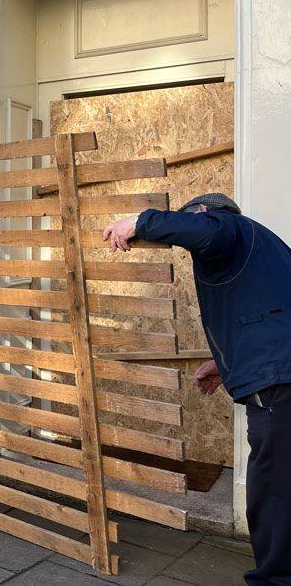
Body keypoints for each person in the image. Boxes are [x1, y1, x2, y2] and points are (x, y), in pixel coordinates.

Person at [103, 192, 291, 586]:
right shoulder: (255, 245)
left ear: (203, 213)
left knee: (272, 491)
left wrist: (138, 222)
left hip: (278, 380)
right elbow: (262, 314)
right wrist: (223, 364)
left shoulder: (225, 229)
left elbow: (203, 232)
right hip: (279, 371)